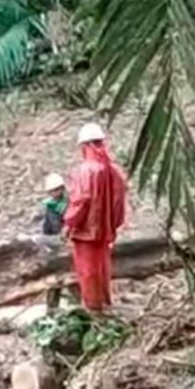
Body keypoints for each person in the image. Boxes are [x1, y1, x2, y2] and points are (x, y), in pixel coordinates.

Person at [63, 122, 127, 311]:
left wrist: (69, 222)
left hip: (85, 233)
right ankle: (106, 302)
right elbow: (119, 201)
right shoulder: (113, 171)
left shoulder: (85, 171)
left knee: (88, 270)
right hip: (105, 231)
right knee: (103, 267)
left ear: (84, 146)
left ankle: (93, 307)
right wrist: (113, 224)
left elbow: (80, 200)